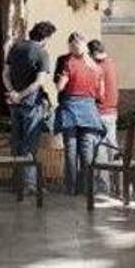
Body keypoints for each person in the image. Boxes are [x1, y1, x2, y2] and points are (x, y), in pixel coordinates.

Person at [3, 21, 57, 196]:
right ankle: (29, 185)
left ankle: (16, 184)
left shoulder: (16, 48)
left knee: (17, 143)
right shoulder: (42, 53)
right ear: (46, 37)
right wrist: (22, 95)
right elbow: (39, 82)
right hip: (31, 105)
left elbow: (5, 73)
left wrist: (12, 92)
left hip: (14, 104)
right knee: (29, 145)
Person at [54, 32, 105, 196]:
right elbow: (101, 94)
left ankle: (71, 188)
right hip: (89, 110)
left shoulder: (68, 63)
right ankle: (87, 188)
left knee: (70, 150)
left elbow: (60, 87)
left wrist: (61, 79)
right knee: (87, 151)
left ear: (71, 46)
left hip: (70, 109)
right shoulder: (96, 67)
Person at [88, 39, 119, 194]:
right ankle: (117, 183)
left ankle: (103, 185)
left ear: (93, 54)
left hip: (100, 112)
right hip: (112, 112)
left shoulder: (97, 66)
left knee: (99, 148)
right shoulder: (112, 63)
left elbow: (96, 91)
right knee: (112, 147)